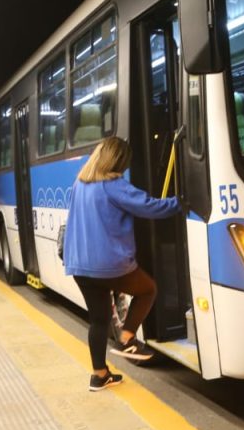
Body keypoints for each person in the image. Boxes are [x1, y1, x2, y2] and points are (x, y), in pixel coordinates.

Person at [63, 136, 181, 391]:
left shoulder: (80, 183)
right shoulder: (113, 185)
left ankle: (99, 375)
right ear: (118, 160)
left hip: (80, 266)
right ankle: (127, 338)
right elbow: (150, 207)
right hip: (107, 265)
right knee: (147, 290)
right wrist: (182, 202)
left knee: (99, 320)